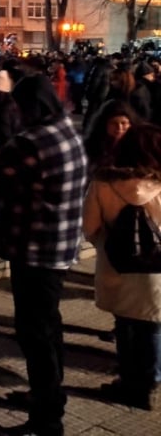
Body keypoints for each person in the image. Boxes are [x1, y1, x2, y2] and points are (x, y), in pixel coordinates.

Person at [0, 74, 89, 436]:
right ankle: (50, 397)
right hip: (60, 246)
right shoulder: (67, 129)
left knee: (35, 333)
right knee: (49, 326)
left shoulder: (32, 141)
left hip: (35, 247)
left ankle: (47, 420)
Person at [83, 123, 161, 411]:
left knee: (124, 325)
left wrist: (105, 243)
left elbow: (90, 227)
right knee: (153, 326)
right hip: (156, 272)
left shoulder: (103, 182)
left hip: (116, 265)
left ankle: (128, 381)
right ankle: (150, 382)